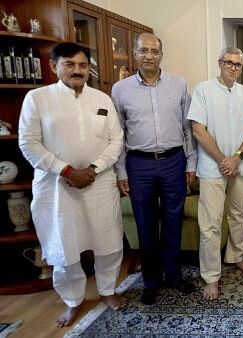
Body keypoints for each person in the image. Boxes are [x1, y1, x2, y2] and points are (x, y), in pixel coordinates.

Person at [19, 42, 125, 327]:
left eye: (82, 65)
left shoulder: (102, 99)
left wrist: (93, 169)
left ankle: (107, 290)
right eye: (69, 64)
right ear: (55, 67)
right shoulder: (37, 98)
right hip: (56, 187)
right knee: (64, 247)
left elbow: (116, 140)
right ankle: (72, 300)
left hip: (99, 182)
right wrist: (65, 170)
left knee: (109, 242)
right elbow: (28, 143)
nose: (77, 70)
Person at [112, 33, 197, 305]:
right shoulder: (120, 89)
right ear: (134, 54)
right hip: (139, 164)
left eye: (155, 51)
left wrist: (191, 163)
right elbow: (117, 134)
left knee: (173, 221)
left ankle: (173, 275)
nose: (149, 55)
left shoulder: (180, 85)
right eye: (143, 50)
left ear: (162, 54)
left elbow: (188, 130)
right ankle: (150, 281)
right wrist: (121, 171)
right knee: (145, 224)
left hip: (174, 161)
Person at [187, 47, 243, 300]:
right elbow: (198, 129)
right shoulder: (203, 90)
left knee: (238, 215)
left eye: (238, 64)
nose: (233, 67)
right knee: (210, 224)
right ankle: (211, 277)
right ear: (219, 64)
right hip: (212, 168)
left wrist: (237, 157)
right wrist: (223, 160)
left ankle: (236, 256)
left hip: (241, 165)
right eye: (229, 63)